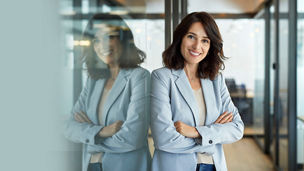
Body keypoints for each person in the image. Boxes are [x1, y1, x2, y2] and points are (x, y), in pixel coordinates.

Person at [150, 12, 244, 171]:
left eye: (205, 40)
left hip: (214, 166)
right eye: (191, 37)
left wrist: (195, 132)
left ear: (211, 45)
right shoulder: (162, 78)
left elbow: (237, 128)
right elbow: (164, 139)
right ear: (180, 38)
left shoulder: (215, 79)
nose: (197, 46)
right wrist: (210, 140)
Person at [64, 14, 151, 171]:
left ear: (123, 39)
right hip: (91, 165)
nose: (102, 44)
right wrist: (103, 131)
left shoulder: (140, 77)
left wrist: (89, 133)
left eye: (109, 36)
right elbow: (69, 128)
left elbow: (133, 138)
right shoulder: (94, 80)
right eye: (96, 40)